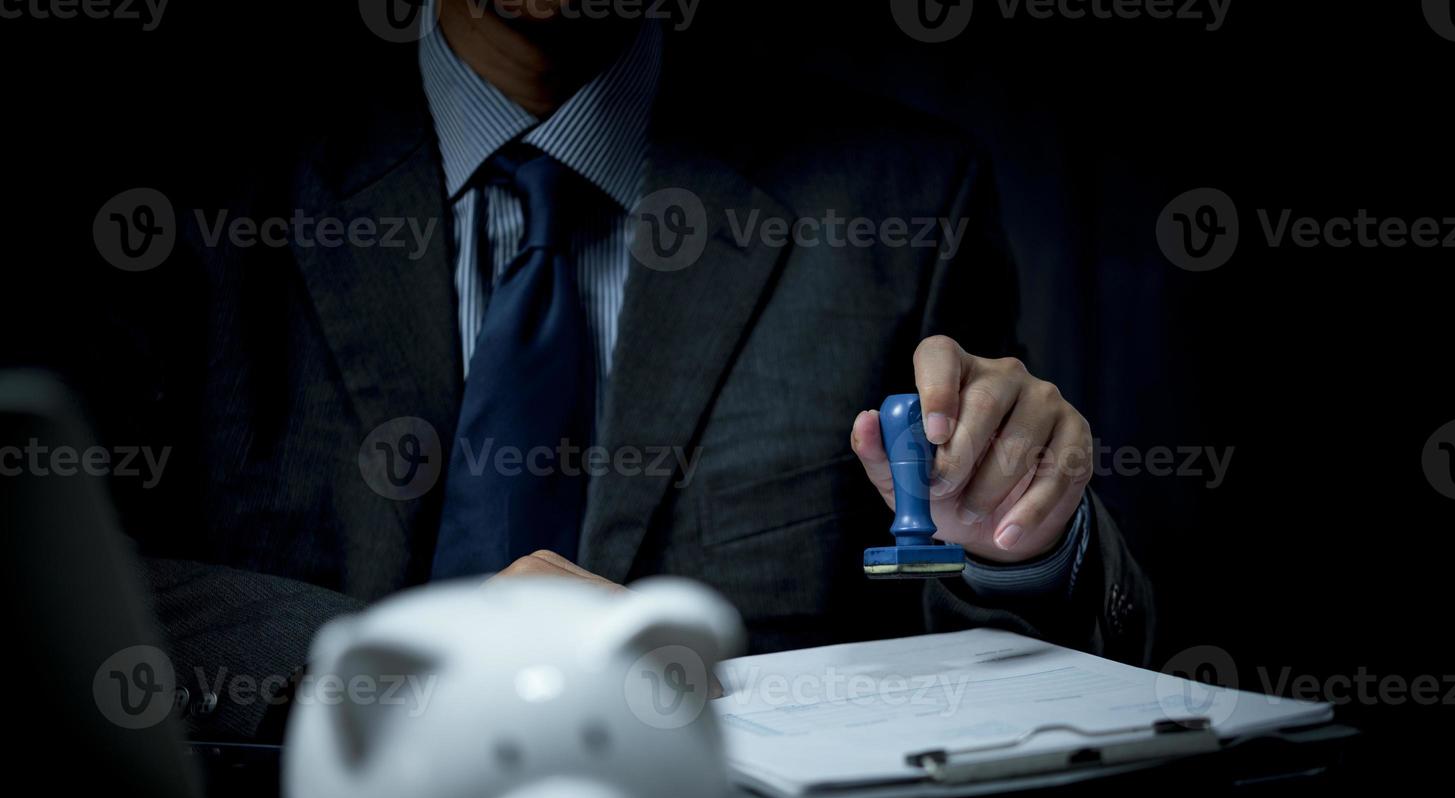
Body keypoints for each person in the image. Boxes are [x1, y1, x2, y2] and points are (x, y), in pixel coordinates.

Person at [83, 2, 1153, 741]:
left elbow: (1013, 673)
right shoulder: (175, 190)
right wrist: (396, 663)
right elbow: (54, 574)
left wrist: (1019, 543)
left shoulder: (901, 204)